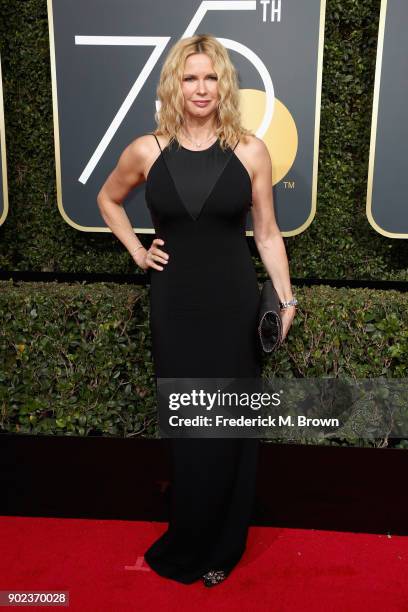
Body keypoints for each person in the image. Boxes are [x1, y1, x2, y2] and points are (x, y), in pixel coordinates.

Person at [97, 33, 297, 587]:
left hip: (232, 304)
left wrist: (285, 297)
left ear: (224, 83)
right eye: (191, 77)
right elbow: (108, 199)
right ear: (174, 85)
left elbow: (268, 232)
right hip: (176, 306)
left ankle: (223, 546)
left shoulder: (250, 151)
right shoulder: (147, 150)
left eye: (211, 77)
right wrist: (138, 251)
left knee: (229, 425)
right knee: (189, 427)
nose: (202, 88)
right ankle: (189, 535)